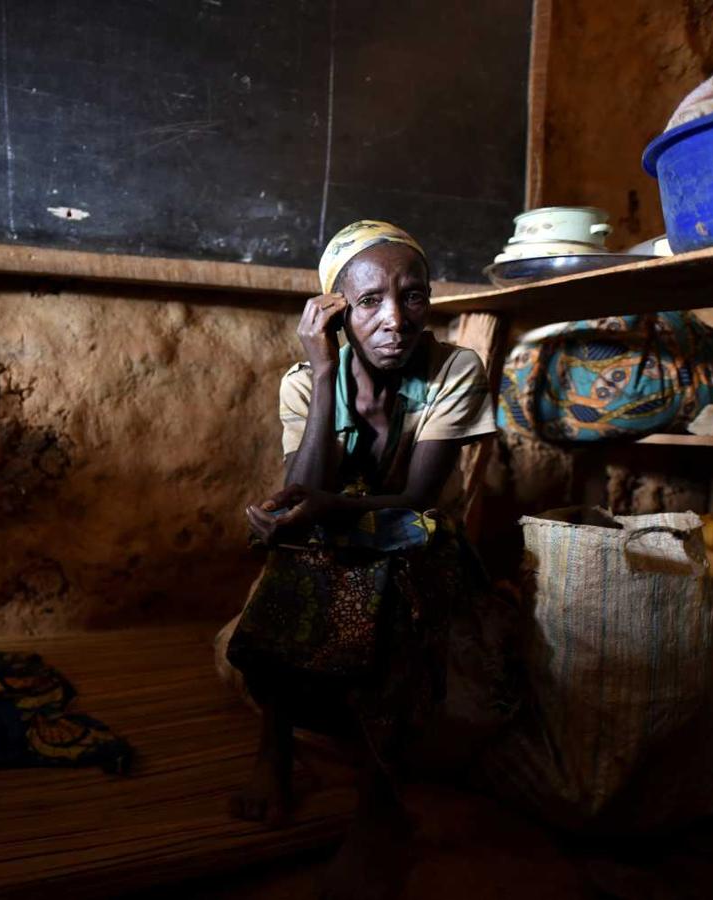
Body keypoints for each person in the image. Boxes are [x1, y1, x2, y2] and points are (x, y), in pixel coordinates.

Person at [224, 221, 498, 898]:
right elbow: (305, 480)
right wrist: (322, 370)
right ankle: (275, 747)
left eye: (412, 296)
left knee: (405, 595)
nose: (394, 320)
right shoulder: (303, 381)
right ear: (335, 309)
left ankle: (379, 806)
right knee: (285, 571)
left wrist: (314, 507)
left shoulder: (452, 368)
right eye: (369, 300)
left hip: (416, 537)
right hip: (331, 531)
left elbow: (417, 497)